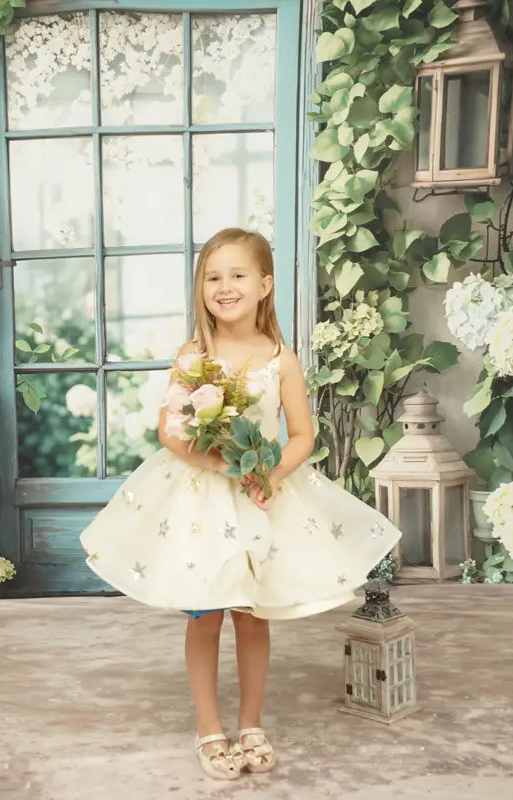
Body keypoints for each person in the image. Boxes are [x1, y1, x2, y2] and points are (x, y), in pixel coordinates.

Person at [79, 227, 402, 780]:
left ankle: (251, 722)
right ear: (200, 287)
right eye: (213, 276)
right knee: (205, 614)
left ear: (264, 286)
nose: (224, 286)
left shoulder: (280, 358)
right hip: (201, 501)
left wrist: (269, 473)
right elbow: (171, 432)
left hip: (262, 498)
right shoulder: (194, 355)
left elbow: (301, 434)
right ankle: (210, 727)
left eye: (237, 275)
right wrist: (221, 464)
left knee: (252, 616)